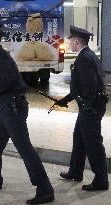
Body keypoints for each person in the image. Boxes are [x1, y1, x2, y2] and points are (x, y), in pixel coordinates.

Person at [0, 24, 54, 204]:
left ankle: (45, 190)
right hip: (8, 108)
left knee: (25, 149)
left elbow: (3, 81)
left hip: (13, 109)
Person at [55, 25, 109, 191]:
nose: (69, 41)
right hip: (90, 107)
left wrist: (85, 105)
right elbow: (80, 87)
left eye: (70, 39)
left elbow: (90, 85)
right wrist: (65, 100)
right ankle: (75, 171)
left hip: (90, 108)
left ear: (77, 41)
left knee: (93, 144)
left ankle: (101, 180)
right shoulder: (88, 55)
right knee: (79, 139)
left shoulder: (84, 58)